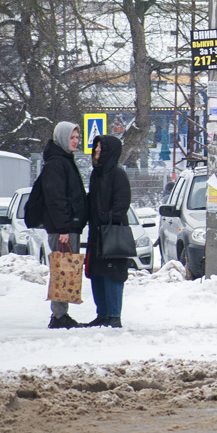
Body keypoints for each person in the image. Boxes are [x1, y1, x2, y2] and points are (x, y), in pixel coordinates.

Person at [37, 120, 89, 329]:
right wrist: (63, 228)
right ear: (61, 138)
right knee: (63, 270)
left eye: (77, 137)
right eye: (72, 137)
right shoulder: (57, 163)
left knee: (67, 270)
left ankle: (61, 314)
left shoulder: (63, 160)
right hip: (63, 230)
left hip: (68, 227)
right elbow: (56, 199)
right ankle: (58, 316)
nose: (76, 141)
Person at [85, 134, 132, 328]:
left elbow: (122, 204)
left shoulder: (117, 174)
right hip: (97, 232)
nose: (96, 151)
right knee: (97, 273)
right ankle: (102, 313)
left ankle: (113, 315)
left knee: (113, 274)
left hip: (113, 232)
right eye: (95, 148)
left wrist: (104, 217)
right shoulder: (97, 174)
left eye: (100, 148)